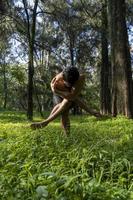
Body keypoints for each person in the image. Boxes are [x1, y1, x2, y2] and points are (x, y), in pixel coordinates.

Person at [31, 67, 101, 136]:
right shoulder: (58, 80)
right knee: (65, 110)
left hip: (67, 94)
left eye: (72, 84)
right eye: (68, 83)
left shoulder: (81, 78)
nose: (70, 85)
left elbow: (73, 97)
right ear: (63, 78)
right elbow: (66, 95)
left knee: (67, 103)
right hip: (58, 92)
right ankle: (65, 135)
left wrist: (90, 111)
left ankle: (46, 122)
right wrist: (56, 91)